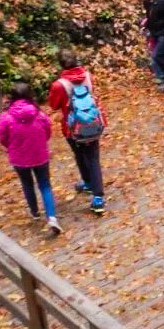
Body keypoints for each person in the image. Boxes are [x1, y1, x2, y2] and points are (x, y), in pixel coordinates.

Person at [0, 83, 63, 235]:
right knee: (45, 185)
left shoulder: (6, 118)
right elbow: (47, 131)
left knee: (27, 184)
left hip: (19, 159)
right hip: (40, 155)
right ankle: (52, 216)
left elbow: (2, 137)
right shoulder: (39, 114)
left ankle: (34, 212)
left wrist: (12, 147)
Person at [48, 49, 106, 215]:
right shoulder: (88, 76)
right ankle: (96, 194)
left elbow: (53, 105)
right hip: (92, 123)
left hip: (72, 128)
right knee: (93, 157)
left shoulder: (59, 85)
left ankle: (92, 187)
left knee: (79, 154)